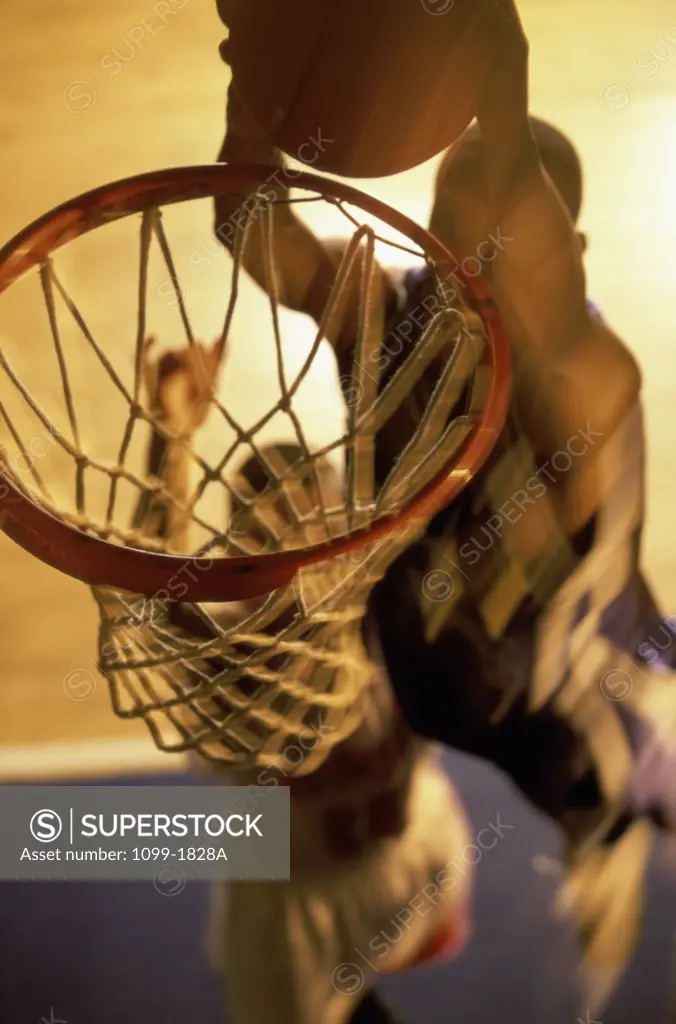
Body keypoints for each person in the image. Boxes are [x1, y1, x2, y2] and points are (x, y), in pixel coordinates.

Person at [214, 0, 676, 1009]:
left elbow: (521, 230)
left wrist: (501, 63)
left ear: (568, 243)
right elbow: (248, 226)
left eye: (488, 219)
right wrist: (259, 102)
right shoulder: (395, 305)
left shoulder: (590, 381)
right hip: (429, 666)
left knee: (638, 784)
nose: (455, 239)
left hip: (579, 711)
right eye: (443, 214)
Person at [136, 349, 474, 1024]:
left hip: (408, 852)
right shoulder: (231, 651)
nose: (297, 544)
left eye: (309, 518)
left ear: (338, 529)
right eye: (273, 528)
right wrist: (171, 433)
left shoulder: (382, 597)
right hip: (305, 901)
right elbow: (156, 574)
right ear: (237, 556)